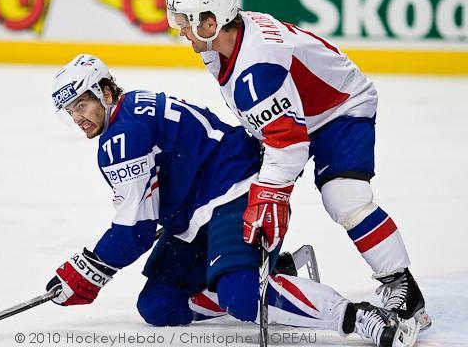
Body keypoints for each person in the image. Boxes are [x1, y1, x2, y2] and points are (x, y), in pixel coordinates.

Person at [45, 54, 419, 347]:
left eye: (83, 104)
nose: (78, 117)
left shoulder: (122, 136)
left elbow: (136, 231)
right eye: (71, 110)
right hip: (196, 211)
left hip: (234, 190)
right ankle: (272, 273)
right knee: (158, 306)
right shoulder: (133, 108)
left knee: (241, 297)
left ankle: (358, 317)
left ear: (106, 92)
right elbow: (146, 209)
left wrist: (84, 271)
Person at [165, 0, 430, 331]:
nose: (179, 30)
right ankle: (272, 269)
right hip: (301, 111)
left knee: (345, 198)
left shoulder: (256, 67)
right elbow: (275, 125)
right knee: (243, 184)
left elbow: (289, 145)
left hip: (340, 108)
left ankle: (401, 283)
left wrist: (270, 194)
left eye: (185, 21)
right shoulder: (225, 44)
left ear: (211, 21)